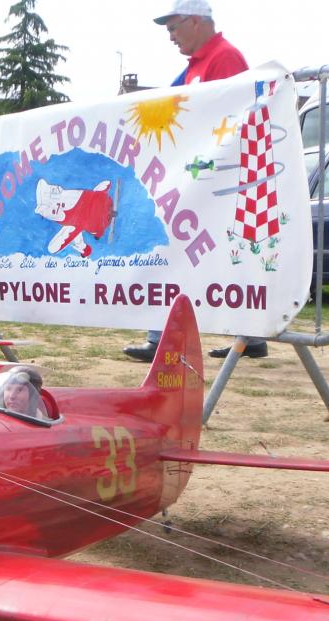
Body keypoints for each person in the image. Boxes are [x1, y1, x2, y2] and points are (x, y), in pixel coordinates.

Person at [122, 0, 265, 363]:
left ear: (197, 21)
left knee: (176, 247)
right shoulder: (197, 65)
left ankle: (164, 337)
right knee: (213, 254)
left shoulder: (225, 58)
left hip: (217, 179)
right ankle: (250, 335)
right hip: (203, 177)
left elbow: (232, 115)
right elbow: (167, 103)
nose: (170, 37)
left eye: (173, 28)